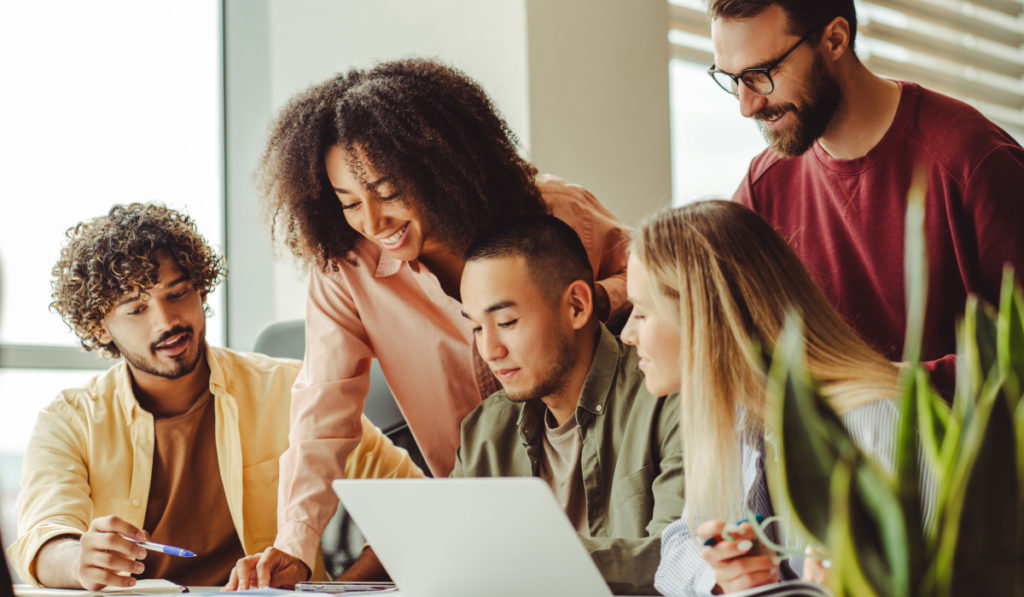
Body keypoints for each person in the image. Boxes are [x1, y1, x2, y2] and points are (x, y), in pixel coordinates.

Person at [240, 58, 632, 586]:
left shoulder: (552, 211)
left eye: (386, 191)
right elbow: (321, 412)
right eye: (350, 202)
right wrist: (295, 540)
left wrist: (592, 305)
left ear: (439, 165)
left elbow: (671, 285)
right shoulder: (346, 269)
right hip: (470, 506)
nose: (373, 223)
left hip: (599, 495)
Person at [7, 203, 423, 590]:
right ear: (100, 327)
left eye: (177, 293)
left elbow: (418, 510)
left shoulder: (289, 390)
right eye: (136, 309)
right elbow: (44, 539)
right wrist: (79, 558)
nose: (167, 321)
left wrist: (333, 593)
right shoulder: (69, 419)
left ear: (202, 292)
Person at [708, 0, 1024, 396]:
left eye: (761, 74)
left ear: (835, 40)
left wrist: (873, 384)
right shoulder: (764, 185)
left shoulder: (972, 162)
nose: (746, 104)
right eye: (732, 78)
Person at [622, 201, 927, 595]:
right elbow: (678, 546)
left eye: (642, 313)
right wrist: (722, 575)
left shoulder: (872, 422)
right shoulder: (732, 417)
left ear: (704, 316)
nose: (627, 333)